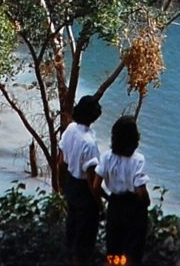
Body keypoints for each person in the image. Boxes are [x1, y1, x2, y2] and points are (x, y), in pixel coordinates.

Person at [93, 115, 151, 266]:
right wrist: (145, 203)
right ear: (134, 138)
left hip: (115, 205)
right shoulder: (138, 160)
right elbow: (141, 192)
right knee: (133, 250)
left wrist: (107, 200)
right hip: (133, 208)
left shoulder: (106, 158)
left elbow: (95, 186)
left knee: (114, 248)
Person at [58, 94, 103, 266]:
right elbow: (92, 181)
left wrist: (63, 185)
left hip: (71, 184)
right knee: (84, 238)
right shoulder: (89, 143)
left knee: (72, 227)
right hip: (84, 192)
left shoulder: (70, 129)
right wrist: (100, 204)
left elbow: (61, 161)